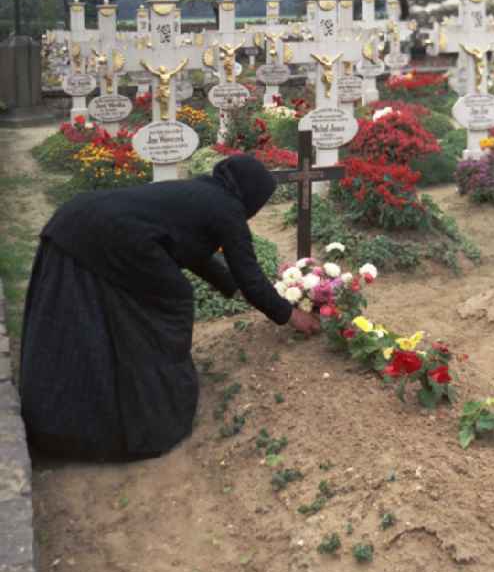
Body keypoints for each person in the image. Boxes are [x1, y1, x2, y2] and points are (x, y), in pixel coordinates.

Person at [19, 155, 319, 462]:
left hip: (74, 221)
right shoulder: (227, 208)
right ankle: (156, 404)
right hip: (104, 236)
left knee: (109, 312)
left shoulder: (204, 193)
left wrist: (233, 286)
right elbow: (251, 275)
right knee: (171, 302)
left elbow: (192, 251)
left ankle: (76, 412)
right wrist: (292, 315)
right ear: (251, 194)